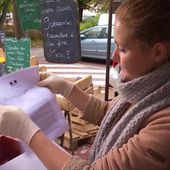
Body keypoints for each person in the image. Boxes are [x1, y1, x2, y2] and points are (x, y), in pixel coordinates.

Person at [1, 0, 170, 169]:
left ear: (157, 52)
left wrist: (27, 131)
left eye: (123, 49)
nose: (114, 55)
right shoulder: (147, 89)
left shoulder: (164, 129)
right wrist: (66, 88)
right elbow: (109, 115)